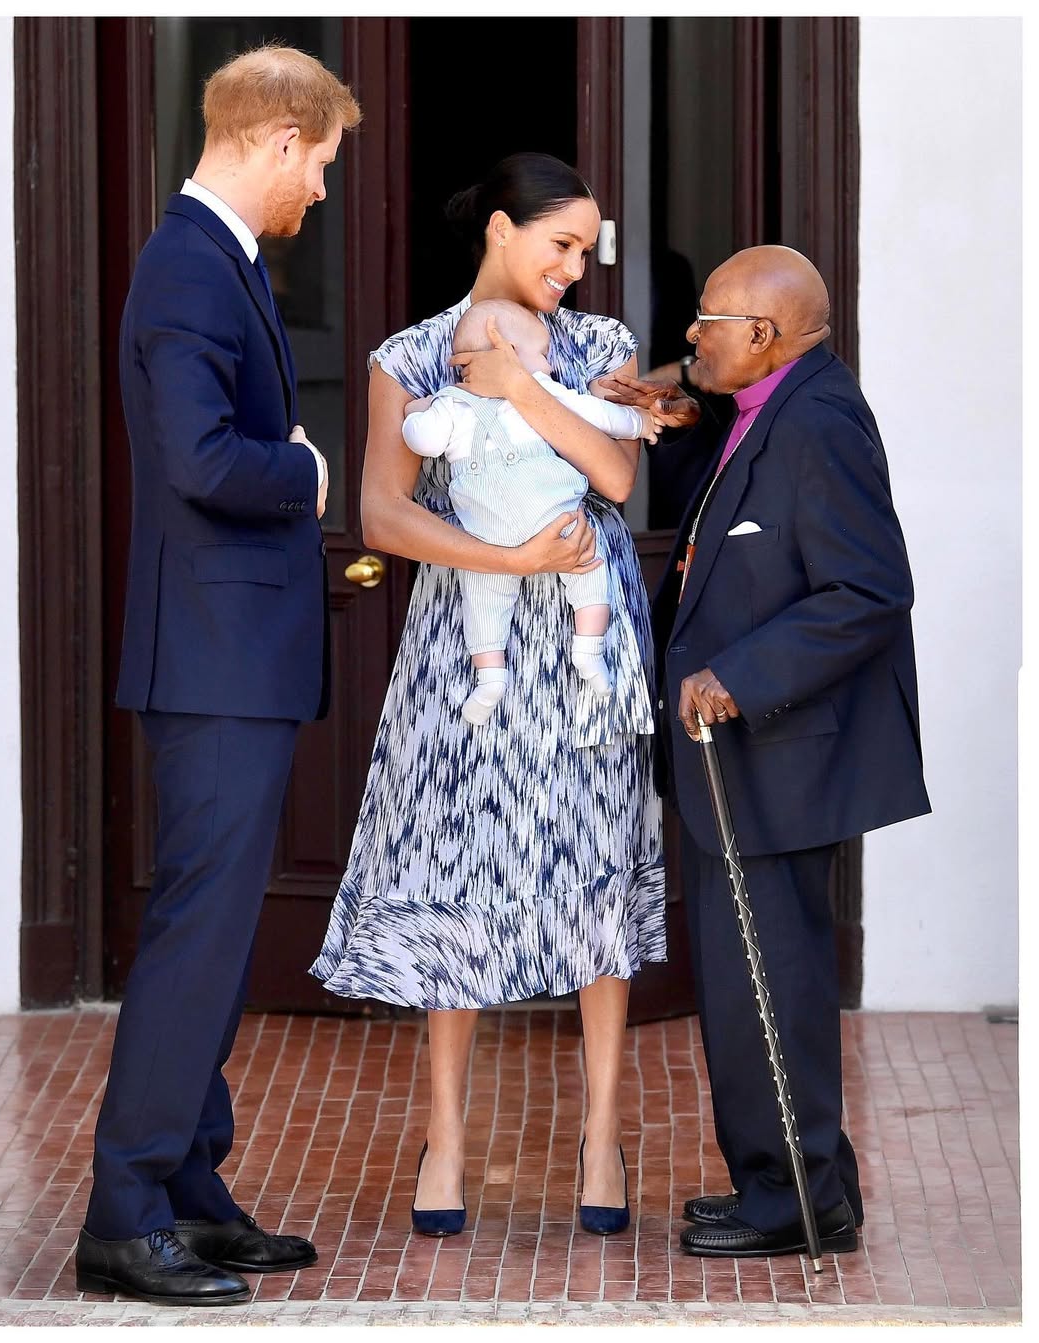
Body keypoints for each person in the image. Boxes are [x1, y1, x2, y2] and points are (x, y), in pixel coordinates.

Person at [310, 152, 699, 1239]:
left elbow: (620, 479)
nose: (576, 267)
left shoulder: (600, 347)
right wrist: (512, 562)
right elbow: (383, 515)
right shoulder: (408, 356)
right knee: (456, 866)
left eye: (587, 249)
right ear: (497, 228)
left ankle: (601, 1132)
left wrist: (525, 389)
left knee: (591, 860)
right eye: (560, 243)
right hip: (468, 635)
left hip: (583, 635)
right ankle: (444, 1135)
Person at [76, 47, 361, 1306]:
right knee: (197, 939)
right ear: (279, 139)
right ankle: (125, 1213)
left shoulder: (222, 261)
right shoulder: (191, 261)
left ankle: (189, 1187)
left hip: (230, 656)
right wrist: (304, 473)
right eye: (322, 167)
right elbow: (199, 460)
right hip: (213, 661)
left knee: (220, 935)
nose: (321, 195)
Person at [604, 245, 930, 1259]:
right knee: (748, 982)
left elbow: (868, 589)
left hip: (782, 753)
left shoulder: (822, 420)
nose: (689, 335)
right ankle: (788, 1183)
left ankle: (795, 1201)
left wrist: (739, 674)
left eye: (707, 321)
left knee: (772, 984)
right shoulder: (769, 405)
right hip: (738, 765)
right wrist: (686, 413)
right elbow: (754, 515)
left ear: (765, 337)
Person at [401, 297, 664, 722]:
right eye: (543, 354)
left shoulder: (452, 404)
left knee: (485, 602)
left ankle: (493, 678)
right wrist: (639, 424)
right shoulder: (469, 399)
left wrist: (416, 413)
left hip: (495, 530)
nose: (553, 363)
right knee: (586, 573)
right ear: (507, 350)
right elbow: (600, 415)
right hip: (538, 521)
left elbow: (423, 439)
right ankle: (586, 650)